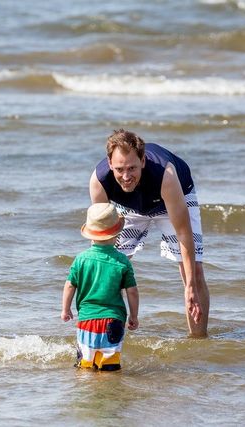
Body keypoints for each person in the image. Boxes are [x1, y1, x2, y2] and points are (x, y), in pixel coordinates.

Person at [89, 129, 209, 337]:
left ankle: (199, 342)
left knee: (194, 273)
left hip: (170, 199)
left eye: (132, 168)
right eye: (119, 169)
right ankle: (104, 337)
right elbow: (101, 241)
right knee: (110, 269)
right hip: (128, 206)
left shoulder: (166, 176)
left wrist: (190, 286)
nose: (126, 176)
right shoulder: (99, 181)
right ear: (109, 164)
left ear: (143, 161)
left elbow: (184, 234)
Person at [61, 202, 139, 371]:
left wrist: (65, 309)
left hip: (87, 321)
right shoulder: (122, 261)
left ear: (90, 235)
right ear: (117, 234)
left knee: (85, 366)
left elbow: (69, 286)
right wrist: (134, 316)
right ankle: (108, 391)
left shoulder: (81, 259)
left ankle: (88, 389)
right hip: (114, 320)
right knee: (109, 367)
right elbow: (132, 291)